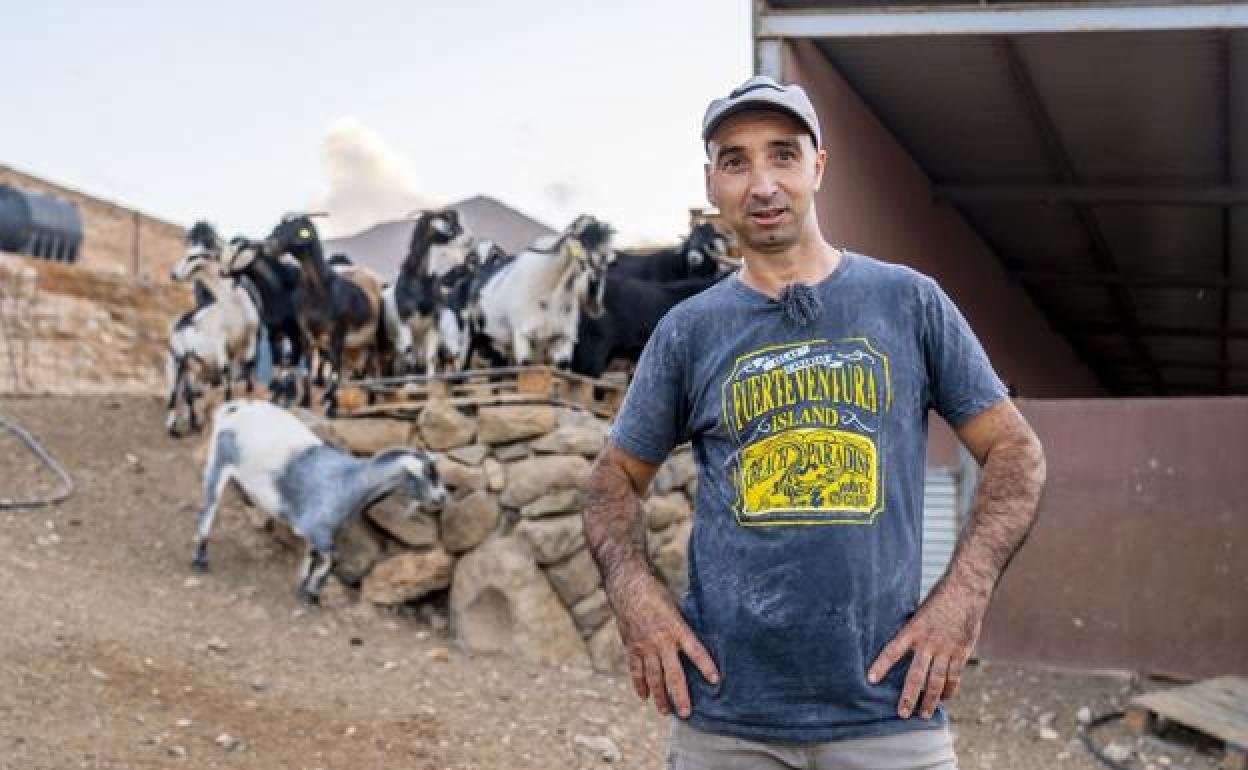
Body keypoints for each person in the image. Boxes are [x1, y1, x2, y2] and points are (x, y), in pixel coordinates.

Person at [583, 75, 1047, 769]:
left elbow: (1014, 449)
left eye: (783, 154)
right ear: (711, 185)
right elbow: (613, 479)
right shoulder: (689, 331)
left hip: (892, 713)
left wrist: (964, 595)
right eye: (735, 162)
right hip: (727, 720)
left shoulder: (908, 303)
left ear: (818, 167)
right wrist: (636, 596)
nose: (762, 183)